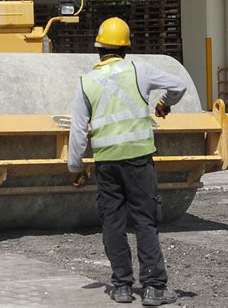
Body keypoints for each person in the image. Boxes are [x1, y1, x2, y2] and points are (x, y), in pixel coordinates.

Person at [68, 17, 187, 306]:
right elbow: (179, 86)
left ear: (98, 49)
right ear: (125, 48)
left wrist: (76, 167)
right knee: (145, 221)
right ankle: (154, 288)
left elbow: (78, 131)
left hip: (106, 163)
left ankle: (121, 286)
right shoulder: (140, 71)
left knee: (113, 222)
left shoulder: (86, 82)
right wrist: (163, 103)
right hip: (138, 160)